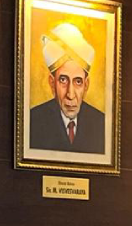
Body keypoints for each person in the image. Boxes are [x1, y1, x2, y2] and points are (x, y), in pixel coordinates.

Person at [30, 23, 105, 154]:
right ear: (52, 83)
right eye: (63, 80)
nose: (70, 94)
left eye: (78, 82)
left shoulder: (101, 122)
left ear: (86, 85)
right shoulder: (32, 121)